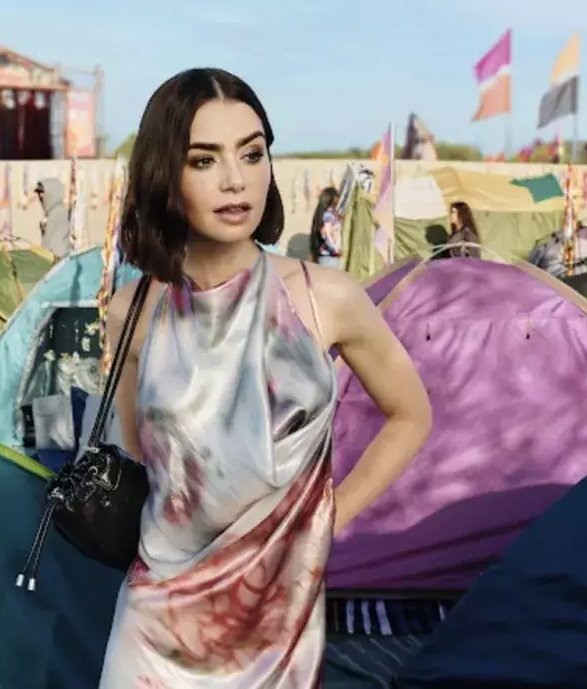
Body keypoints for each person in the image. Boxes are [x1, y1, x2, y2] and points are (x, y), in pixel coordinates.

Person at [99, 68, 432, 687]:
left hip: (277, 628)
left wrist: (328, 520)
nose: (236, 179)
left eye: (252, 154)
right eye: (204, 160)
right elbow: (133, 462)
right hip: (155, 624)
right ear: (164, 174)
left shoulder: (325, 297)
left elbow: (411, 414)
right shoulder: (131, 311)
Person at [35, 178, 71, 258]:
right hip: (50, 258)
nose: (40, 195)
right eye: (39, 193)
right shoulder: (50, 213)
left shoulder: (60, 212)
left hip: (58, 259)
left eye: (42, 192)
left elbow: (58, 242)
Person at [308, 186, 342, 267]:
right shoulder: (328, 215)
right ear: (333, 199)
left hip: (325, 257)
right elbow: (327, 233)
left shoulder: (322, 213)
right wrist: (336, 249)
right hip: (330, 258)